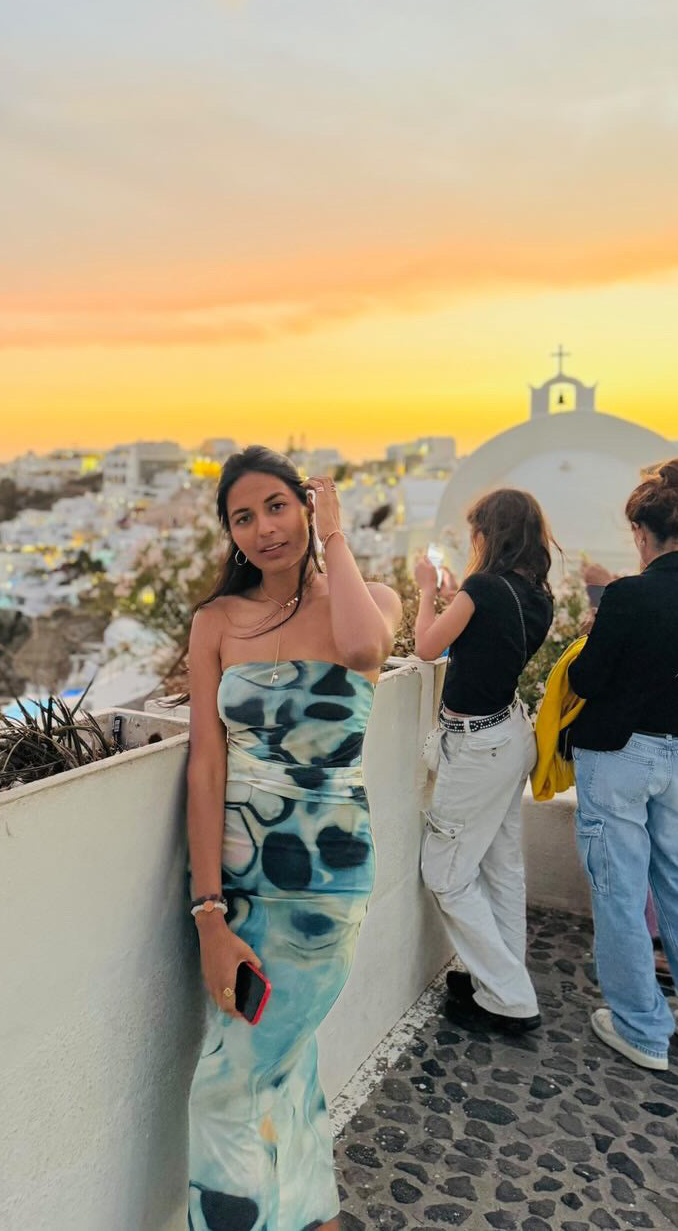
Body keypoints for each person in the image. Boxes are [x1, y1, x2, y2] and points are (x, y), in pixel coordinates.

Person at [185, 445, 401, 1231]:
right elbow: (206, 768)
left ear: (307, 508)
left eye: (278, 506)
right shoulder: (215, 623)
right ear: (230, 534)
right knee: (281, 1066)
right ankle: (314, 1216)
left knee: (224, 1091)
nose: (264, 529)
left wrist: (335, 538)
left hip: (322, 886)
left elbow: (364, 652)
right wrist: (208, 912)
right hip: (237, 888)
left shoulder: (367, 597)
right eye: (243, 517)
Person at [568, 459, 678, 1071]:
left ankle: (641, 1026)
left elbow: (587, 679)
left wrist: (593, 635)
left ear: (642, 532)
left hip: (621, 756)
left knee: (620, 888)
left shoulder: (627, 594)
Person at [412, 488, 556, 1034]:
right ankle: (494, 979)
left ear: (488, 535)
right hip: (510, 733)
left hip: (478, 746)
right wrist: (456, 597)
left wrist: (429, 591)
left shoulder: (482, 588)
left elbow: (427, 647)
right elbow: (483, 635)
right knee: (501, 866)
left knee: (445, 874)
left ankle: (510, 997)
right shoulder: (537, 593)